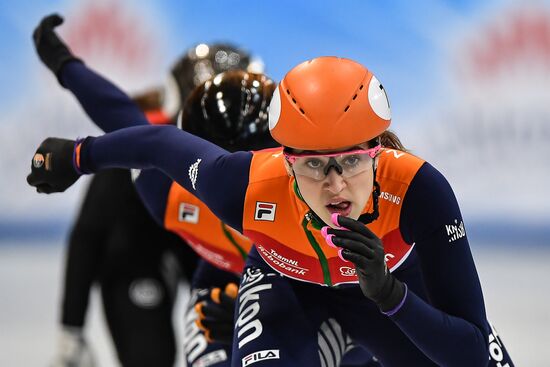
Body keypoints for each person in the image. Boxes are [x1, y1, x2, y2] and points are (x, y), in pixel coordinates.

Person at [29, 26, 515, 367]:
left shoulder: (416, 191)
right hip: (268, 279)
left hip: (364, 294)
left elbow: (472, 348)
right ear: (283, 160)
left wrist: (391, 295)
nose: (333, 185)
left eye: (349, 160)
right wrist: (76, 146)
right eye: (311, 164)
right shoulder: (234, 183)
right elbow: (146, 137)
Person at [32, 14, 265, 367]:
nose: (223, 158)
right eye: (205, 147)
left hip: (248, 270)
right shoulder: (168, 178)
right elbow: (89, 234)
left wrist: (66, 69)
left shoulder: (168, 182)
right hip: (162, 261)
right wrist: (71, 328)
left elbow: (128, 123)